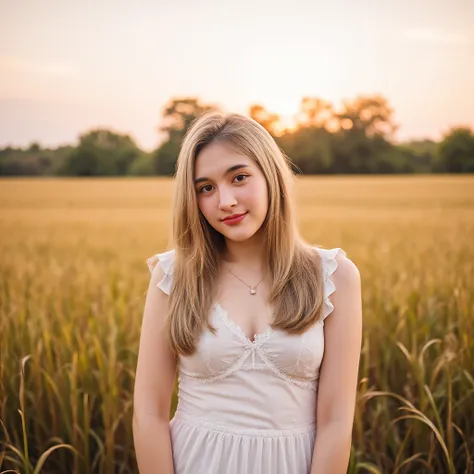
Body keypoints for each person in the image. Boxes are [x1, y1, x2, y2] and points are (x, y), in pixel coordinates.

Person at [132, 111, 362, 474]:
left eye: (239, 177)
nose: (225, 201)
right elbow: (149, 414)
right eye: (205, 187)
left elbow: (336, 420)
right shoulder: (174, 276)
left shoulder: (334, 277)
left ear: (270, 176)